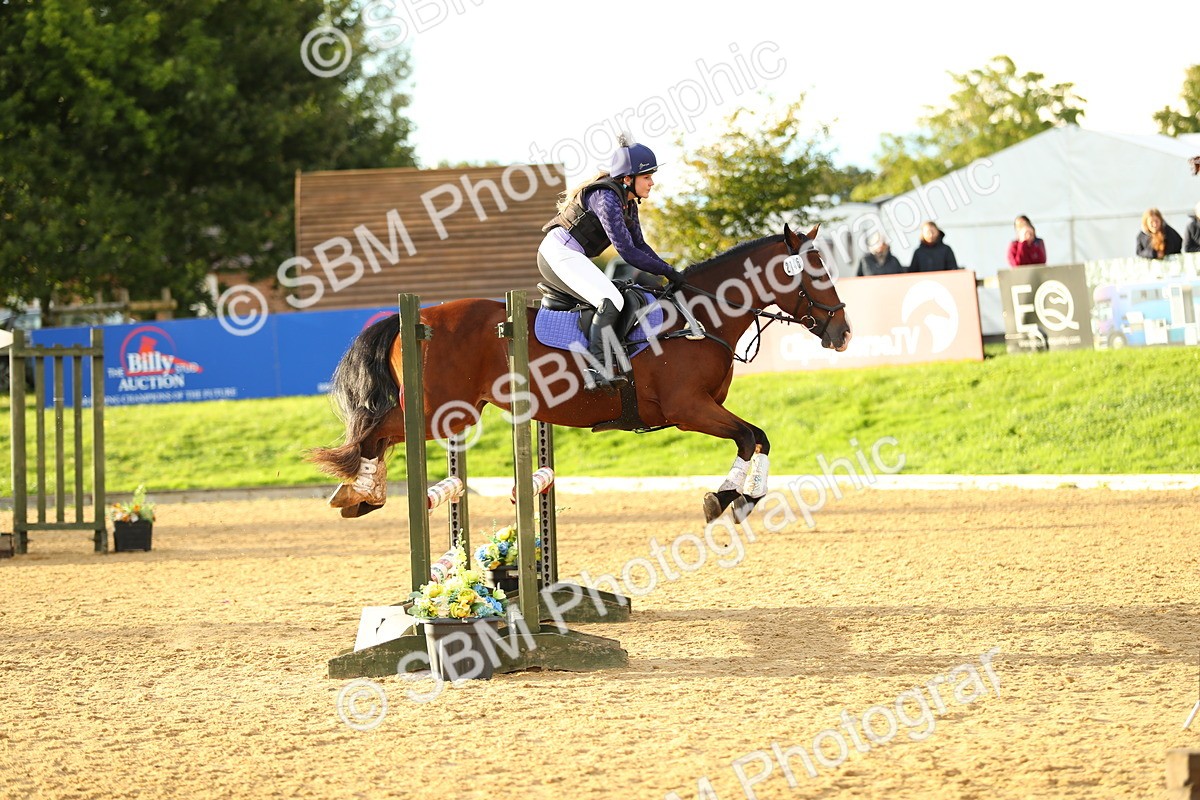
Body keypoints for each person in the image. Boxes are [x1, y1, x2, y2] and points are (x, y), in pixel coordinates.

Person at [538, 136, 684, 390]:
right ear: (627, 179)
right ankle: (596, 369)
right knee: (611, 300)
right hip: (557, 253)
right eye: (647, 177)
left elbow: (640, 246)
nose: (652, 182)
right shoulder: (605, 198)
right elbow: (626, 250)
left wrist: (669, 273)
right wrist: (667, 272)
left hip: (574, 256)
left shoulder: (628, 204)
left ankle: (615, 355)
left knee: (628, 295)